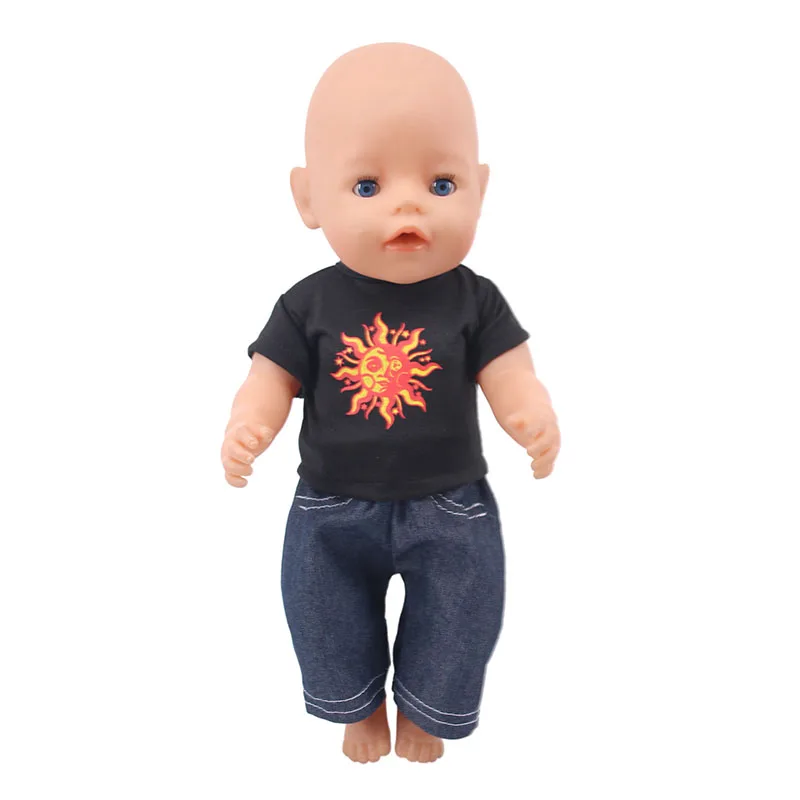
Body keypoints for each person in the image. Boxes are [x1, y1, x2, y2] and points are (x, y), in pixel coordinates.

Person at [221, 42, 560, 764]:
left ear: (480, 189)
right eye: (368, 185)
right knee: (323, 613)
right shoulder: (306, 304)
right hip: (330, 506)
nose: (408, 203)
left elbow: (508, 369)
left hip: (452, 504)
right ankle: (359, 706)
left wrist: (528, 410)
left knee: (463, 614)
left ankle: (427, 710)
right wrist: (250, 422)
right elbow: (269, 377)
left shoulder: (475, 299)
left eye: (441, 183)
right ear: (308, 198)